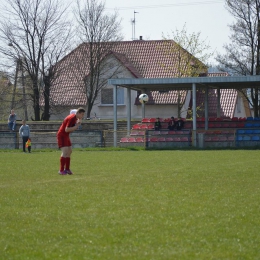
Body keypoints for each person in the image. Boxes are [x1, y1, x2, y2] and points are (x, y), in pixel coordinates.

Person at [57, 107, 85, 175]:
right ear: (78, 113)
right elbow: (66, 129)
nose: (82, 116)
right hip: (62, 135)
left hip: (66, 135)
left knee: (69, 151)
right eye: (82, 114)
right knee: (65, 151)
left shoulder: (75, 118)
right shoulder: (72, 118)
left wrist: (77, 124)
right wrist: (76, 126)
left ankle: (67, 169)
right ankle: (61, 170)